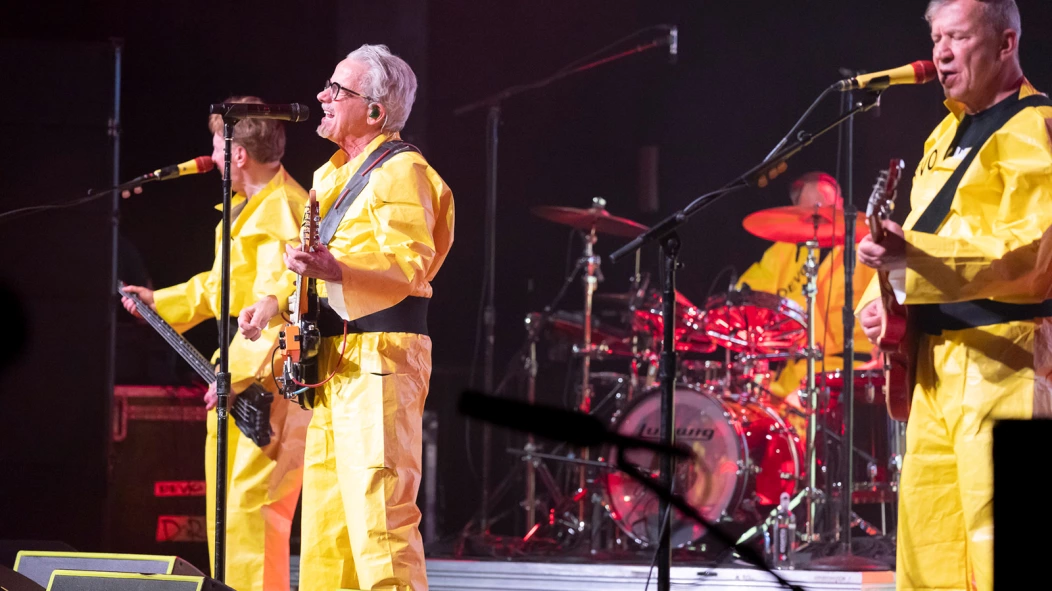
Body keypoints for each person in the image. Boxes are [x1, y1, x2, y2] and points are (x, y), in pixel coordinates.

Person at [239, 44, 454, 591]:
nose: (322, 96)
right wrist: (276, 302)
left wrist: (335, 268)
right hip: (335, 363)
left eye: (338, 89)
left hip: (380, 359)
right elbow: (322, 267)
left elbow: (407, 262)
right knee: (328, 531)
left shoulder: (402, 171)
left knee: (381, 519)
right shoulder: (334, 176)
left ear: (375, 111)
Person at [856, 1, 1052, 589]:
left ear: (1005, 44)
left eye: (958, 37)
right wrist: (879, 301)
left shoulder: (1037, 127)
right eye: (936, 38)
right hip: (932, 369)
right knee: (928, 554)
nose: (941, 53)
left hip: (1006, 361)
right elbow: (918, 231)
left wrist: (910, 259)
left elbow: (1033, 253)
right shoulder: (942, 136)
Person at [120, 96, 310, 591]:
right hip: (239, 383)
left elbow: (285, 309)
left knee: (251, 515)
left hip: (264, 388)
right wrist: (159, 301)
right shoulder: (249, 211)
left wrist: (240, 378)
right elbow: (222, 287)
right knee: (229, 518)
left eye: (216, 147)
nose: (211, 158)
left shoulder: (286, 213)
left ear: (238, 154)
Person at [737, 172, 876, 399]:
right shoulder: (783, 251)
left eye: (828, 208)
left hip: (852, 372)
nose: (820, 218)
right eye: (812, 212)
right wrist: (772, 339)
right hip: (792, 377)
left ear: (841, 204)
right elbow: (746, 299)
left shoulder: (866, 248)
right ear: (796, 212)